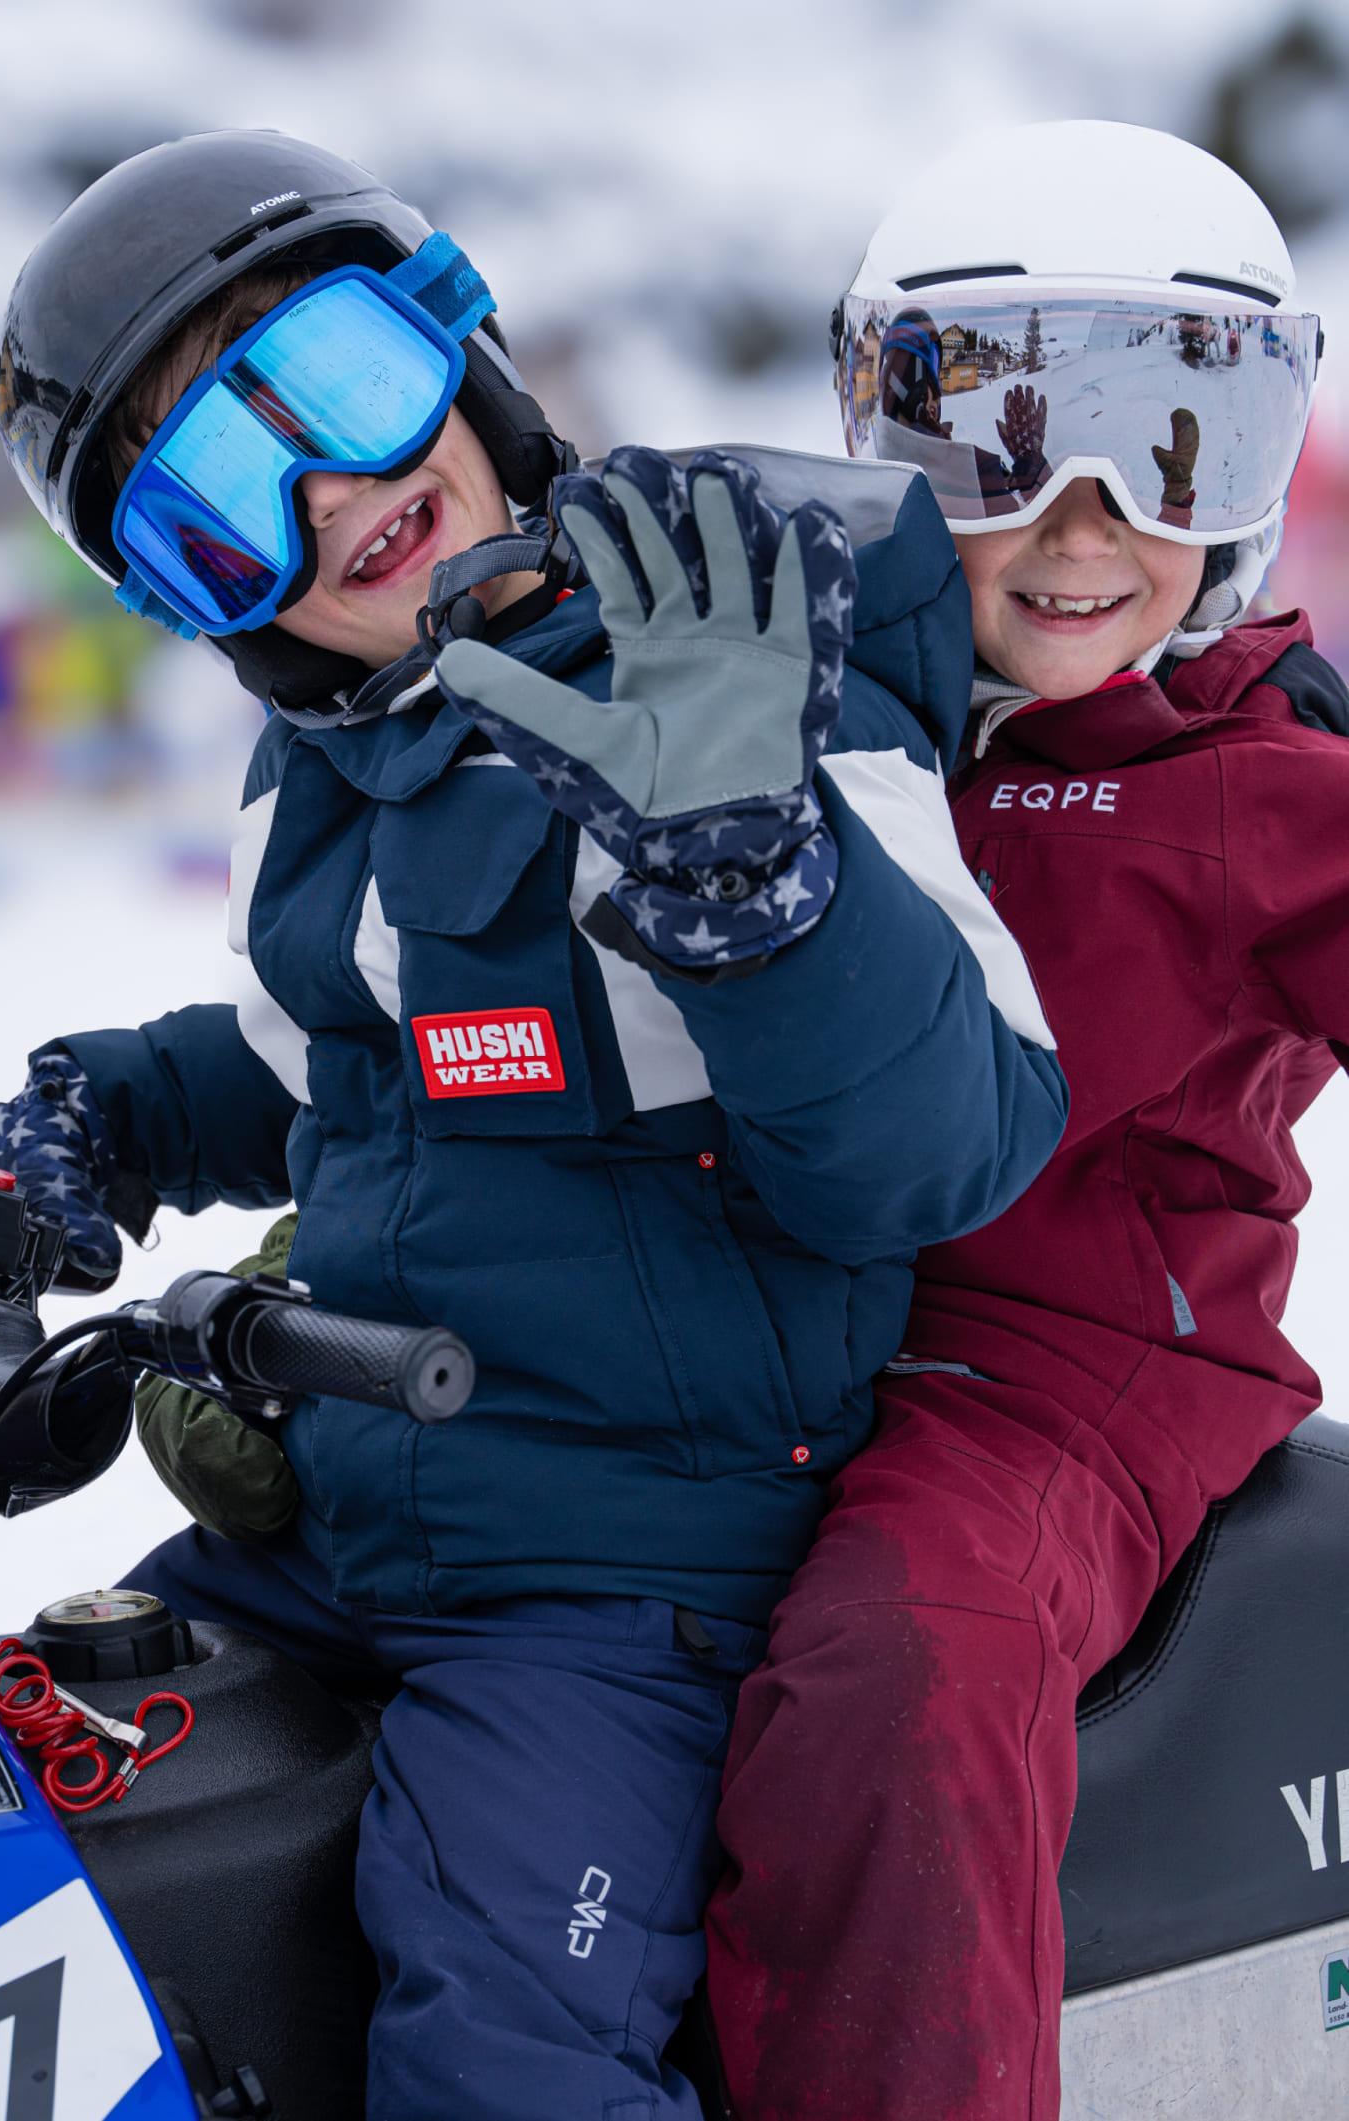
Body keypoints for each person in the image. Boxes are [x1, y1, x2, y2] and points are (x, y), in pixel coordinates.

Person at [0, 130, 1067, 2119]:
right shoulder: (335, 774)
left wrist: (766, 881)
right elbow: (325, 1058)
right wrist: (113, 1116)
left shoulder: (726, 662)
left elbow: (948, 1139)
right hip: (352, 1527)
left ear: (456, 353)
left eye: (346, 393)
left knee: (499, 2047)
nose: (330, 498)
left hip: (619, 1581)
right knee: (34, 1848)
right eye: (223, 502)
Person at [705, 118, 1340, 2120]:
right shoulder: (798, 715)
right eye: (997, 441)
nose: (1077, 528)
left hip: (1059, 1378)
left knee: (907, 1658)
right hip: (766, 1320)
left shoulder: (1246, 777)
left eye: (1168, 447)